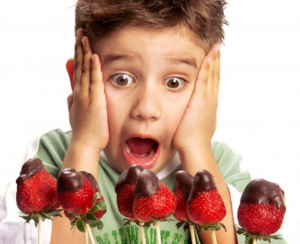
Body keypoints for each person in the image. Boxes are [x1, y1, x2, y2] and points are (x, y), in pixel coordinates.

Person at [0, 0, 287, 243]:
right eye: (121, 79)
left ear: (208, 89)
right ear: (80, 79)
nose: (146, 108)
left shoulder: (219, 165)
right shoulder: (51, 157)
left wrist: (197, 150)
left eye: (174, 82)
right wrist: (84, 144)